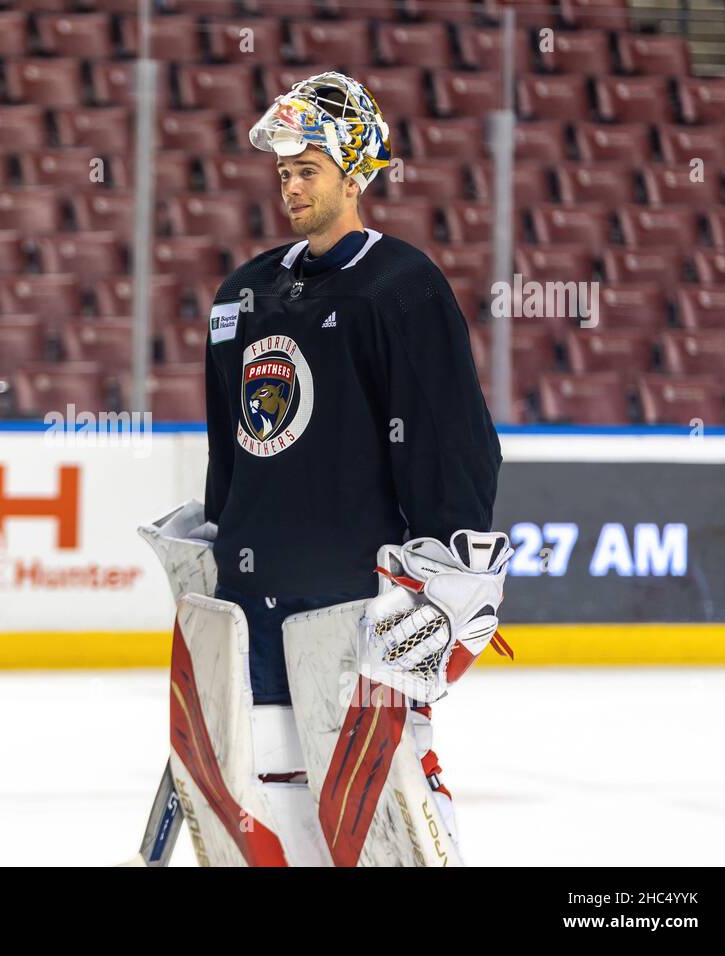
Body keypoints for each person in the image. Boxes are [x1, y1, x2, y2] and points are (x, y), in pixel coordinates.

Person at [193, 71, 505, 861]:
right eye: (285, 173)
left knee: (385, 797)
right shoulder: (243, 294)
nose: (291, 187)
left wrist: (450, 566)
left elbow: (450, 437)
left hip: (356, 599)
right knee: (270, 792)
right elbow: (229, 449)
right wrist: (219, 541)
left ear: (355, 172)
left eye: (308, 170)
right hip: (254, 594)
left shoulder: (401, 287)